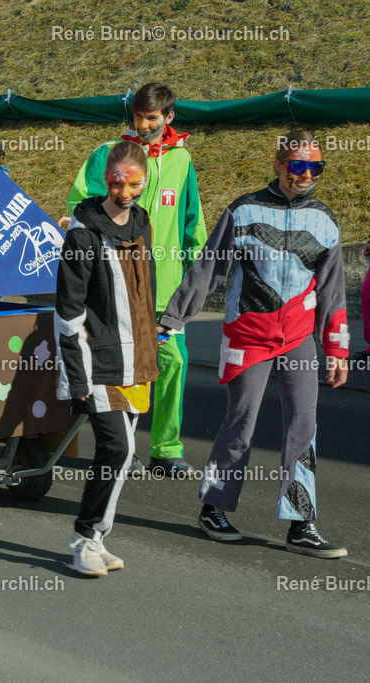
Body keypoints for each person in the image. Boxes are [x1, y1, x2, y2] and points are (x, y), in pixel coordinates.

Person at [157, 130, 349, 559]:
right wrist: (173, 319)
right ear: (280, 165)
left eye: (315, 168)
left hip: (298, 339)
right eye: (299, 166)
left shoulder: (324, 220)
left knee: (304, 424)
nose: (307, 175)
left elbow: (333, 294)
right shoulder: (243, 210)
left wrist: (336, 349)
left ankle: (301, 523)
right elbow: (208, 270)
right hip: (247, 334)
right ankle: (215, 507)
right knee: (241, 422)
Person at [64, 83, 205, 475]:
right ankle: (121, 449)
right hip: (118, 283)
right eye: (138, 117)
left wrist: (202, 273)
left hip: (167, 290)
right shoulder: (111, 153)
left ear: (169, 117)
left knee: (173, 362)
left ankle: (166, 448)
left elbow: (193, 223)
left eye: (152, 118)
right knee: (124, 367)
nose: (143, 125)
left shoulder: (182, 160)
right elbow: (82, 203)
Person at [56, 141, 159, 576]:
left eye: (134, 184)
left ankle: (94, 538)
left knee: (125, 449)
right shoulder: (83, 234)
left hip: (138, 359)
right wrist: (76, 380)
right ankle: (85, 537)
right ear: (106, 181)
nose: (126, 193)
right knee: (116, 448)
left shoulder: (142, 222)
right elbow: (67, 315)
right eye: (118, 183)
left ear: (144, 181)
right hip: (98, 362)